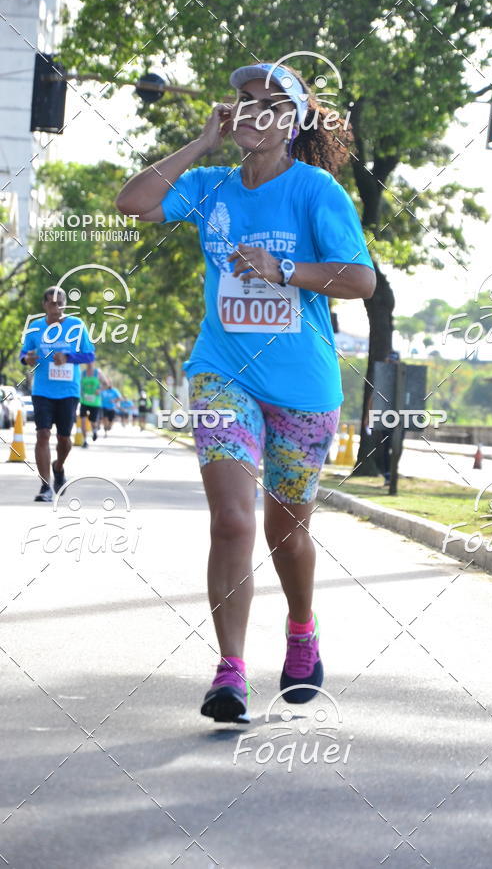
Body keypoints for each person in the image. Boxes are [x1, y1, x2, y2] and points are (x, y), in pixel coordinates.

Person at [116, 61, 375, 724]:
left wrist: (283, 268)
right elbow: (132, 203)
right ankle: (230, 671)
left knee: (287, 534)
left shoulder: (316, 191)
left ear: (292, 122)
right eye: (244, 99)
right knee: (232, 519)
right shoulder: (208, 185)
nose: (253, 109)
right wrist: (201, 143)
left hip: (303, 387)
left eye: (270, 103)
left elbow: (360, 280)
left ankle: (301, 629)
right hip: (222, 373)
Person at [19, 286, 95, 501]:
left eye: (60, 303)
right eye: (52, 303)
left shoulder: (76, 326)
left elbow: (89, 355)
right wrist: (27, 359)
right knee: (42, 434)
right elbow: (23, 354)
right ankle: (45, 487)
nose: (57, 307)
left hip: (68, 391)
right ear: (44, 305)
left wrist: (68, 357)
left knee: (64, 439)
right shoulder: (35, 327)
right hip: (42, 390)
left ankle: (58, 466)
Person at [80, 363, 108, 447]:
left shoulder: (98, 373)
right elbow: (79, 384)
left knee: (93, 421)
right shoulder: (83, 373)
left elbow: (106, 384)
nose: (89, 364)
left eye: (91, 362)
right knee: (83, 421)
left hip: (95, 402)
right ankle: (85, 441)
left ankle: (94, 431)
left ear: (93, 363)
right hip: (84, 401)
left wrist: (100, 390)